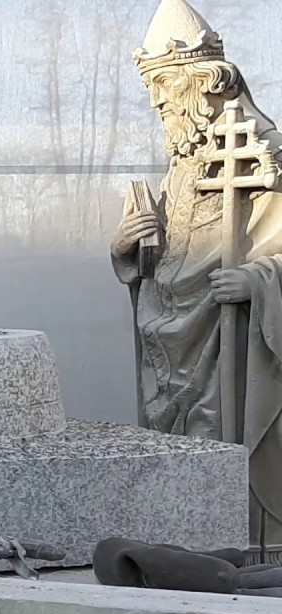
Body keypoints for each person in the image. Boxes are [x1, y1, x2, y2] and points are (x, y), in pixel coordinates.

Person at [111, 0, 282, 563]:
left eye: (165, 85)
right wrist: (129, 247)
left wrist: (259, 281)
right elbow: (171, 258)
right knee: (180, 454)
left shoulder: (262, 153)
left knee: (226, 444)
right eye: (152, 87)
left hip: (233, 340)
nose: (157, 102)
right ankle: (185, 550)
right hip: (177, 343)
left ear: (205, 82)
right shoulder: (182, 163)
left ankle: (245, 552)